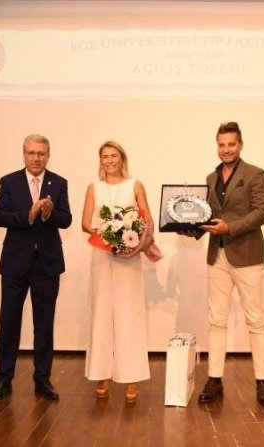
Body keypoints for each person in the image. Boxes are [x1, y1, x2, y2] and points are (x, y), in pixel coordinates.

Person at [182, 121, 264, 406]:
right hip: (217, 256)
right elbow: (207, 214)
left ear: (240, 145)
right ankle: (214, 379)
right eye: (222, 145)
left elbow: (262, 213)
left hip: (247, 256)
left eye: (231, 144)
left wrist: (229, 228)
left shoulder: (256, 174)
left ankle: (262, 382)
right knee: (216, 320)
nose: (226, 149)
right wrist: (193, 229)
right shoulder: (210, 178)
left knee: (255, 320)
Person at [0, 134, 72, 403]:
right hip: (15, 263)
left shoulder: (58, 183)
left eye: (41, 154)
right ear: (24, 154)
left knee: (44, 325)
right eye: (32, 153)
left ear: (48, 156)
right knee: (9, 322)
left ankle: (42, 379)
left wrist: (48, 213)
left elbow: (66, 219)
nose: (36, 158)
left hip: (47, 264)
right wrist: (28, 215)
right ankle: (3, 379)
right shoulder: (9, 181)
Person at [81, 141, 155, 403]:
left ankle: (131, 376)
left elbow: (147, 221)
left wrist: (134, 240)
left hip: (129, 259)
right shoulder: (94, 187)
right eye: (105, 157)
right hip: (102, 257)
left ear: (122, 158)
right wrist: (109, 235)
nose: (110, 160)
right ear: (100, 161)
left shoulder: (135, 185)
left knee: (129, 315)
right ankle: (102, 373)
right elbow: (85, 223)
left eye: (114, 156)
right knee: (101, 313)